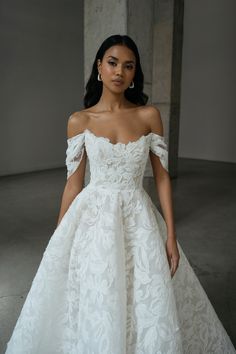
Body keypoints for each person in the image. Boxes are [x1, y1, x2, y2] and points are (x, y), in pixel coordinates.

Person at [5, 34, 235, 354]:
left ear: (134, 73)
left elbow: (162, 178)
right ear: (99, 66)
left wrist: (170, 234)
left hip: (137, 217)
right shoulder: (80, 121)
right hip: (93, 220)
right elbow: (74, 183)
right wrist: (59, 240)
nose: (119, 72)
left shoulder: (148, 116)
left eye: (128, 66)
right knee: (99, 294)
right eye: (112, 63)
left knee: (142, 294)